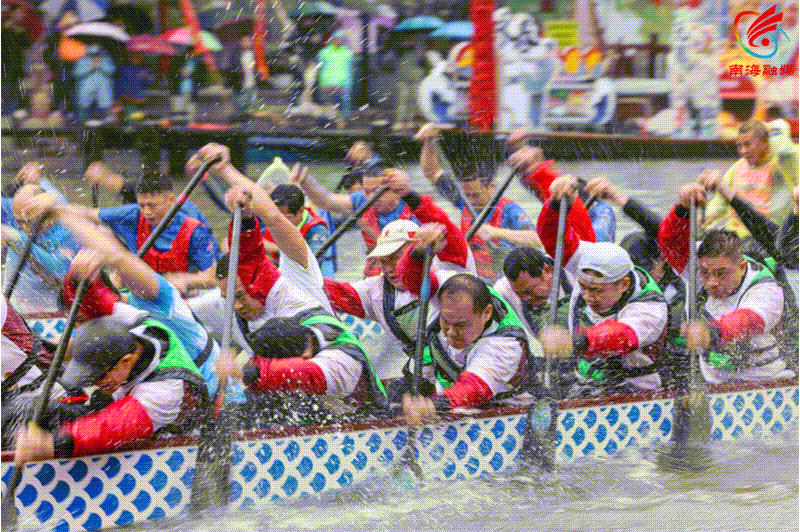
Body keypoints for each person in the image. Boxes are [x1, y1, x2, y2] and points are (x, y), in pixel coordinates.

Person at [13, 313, 209, 463]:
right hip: (129, 409)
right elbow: (101, 299)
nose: (94, 384)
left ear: (126, 361)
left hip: (175, 453)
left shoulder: (164, 392)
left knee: (67, 427)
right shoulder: (136, 325)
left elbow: (110, 427)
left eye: (98, 376)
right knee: (39, 408)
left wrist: (53, 444)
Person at [323, 168, 474, 360]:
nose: (389, 270)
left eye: (395, 259)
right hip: (429, 371)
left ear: (417, 249)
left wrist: (410, 196)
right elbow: (325, 289)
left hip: (474, 360)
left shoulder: (448, 265)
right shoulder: (375, 291)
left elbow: (443, 228)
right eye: (384, 261)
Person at [538, 175, 669, 395]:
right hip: (586, 385)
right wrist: (556, 204)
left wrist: (574, 342)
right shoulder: (588, 261)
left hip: (636, 394)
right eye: (583, 287)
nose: (588, 296)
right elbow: (552, 238)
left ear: (623, 284)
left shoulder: (650, 307)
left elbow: (620, 336)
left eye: (596, 290)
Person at [660, 182, 796, 384]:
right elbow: (670, 243)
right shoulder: (699, 266)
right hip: (713, 384)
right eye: (705, 273)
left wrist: (711, 333)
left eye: (721, 274)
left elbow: (747, 321)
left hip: (768, 384)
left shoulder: (766, 289)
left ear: (742, 267)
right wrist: (682, 209)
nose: (712, 282)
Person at [396, 257, 535, 425]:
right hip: (449, 402)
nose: (450, 332)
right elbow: (412, 279)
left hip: (504, 417)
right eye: (445, 321)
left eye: (460, 325)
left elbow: (474, 388)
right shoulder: (449, 288)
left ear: (486, 313)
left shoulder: (506, 345)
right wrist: (417, 255)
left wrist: (435, 406)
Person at [418, 123, 541, 282]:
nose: (471, 201)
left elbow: (537, 240)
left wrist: (496, 232)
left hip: (501, 280)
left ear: (491, 187)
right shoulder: (463, 199)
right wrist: (428, 142)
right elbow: (432, 172)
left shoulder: (509, 209)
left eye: (475, 195)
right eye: (468, 195)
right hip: (472, 278)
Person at [584, 176, 686, 343]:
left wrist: (616, 197)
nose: (634, 280)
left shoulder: (681, 289)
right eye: (629, 274)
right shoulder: (608, 289)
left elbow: (662, 231)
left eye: (640, 271)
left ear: (660, 261)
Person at [293, 161, 422, 276]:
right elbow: (327, 201)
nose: (370, 198)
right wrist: (306, 183)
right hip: (377, 272)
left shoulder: (415, 208)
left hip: (407, 271)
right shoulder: (361, 200)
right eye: (367, 191)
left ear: (393, 189)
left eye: (376, 191)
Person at [703, 120, 797, 236]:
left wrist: (772, 130)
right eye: (739, 145)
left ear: (764, 142)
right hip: (737, 236)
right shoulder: (738, 166)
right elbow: (721, 198)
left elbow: (785, 152)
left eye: (747, 144)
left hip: (772, 236)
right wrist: (711, 213)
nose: (743, 151)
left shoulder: (786, 162)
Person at [2, 183, 80, 314]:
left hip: (54, 316)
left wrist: (15, 237)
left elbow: (62, 271)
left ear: (50, 214)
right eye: (19, 222)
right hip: (12, 313)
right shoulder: (21, 210)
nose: (23, 227)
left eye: (29, 222)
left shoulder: (71, 232)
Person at [507, 143, 601, 243]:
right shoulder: (544, 186)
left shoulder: (554, 188)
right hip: (582, 230)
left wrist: (531, 166)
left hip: (592, 224)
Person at [266, 183, 334, 277]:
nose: (280, 223)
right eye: (277, 218)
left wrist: (276, 249)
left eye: (286, 218)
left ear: (301, 211)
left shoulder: (318, 230)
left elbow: (308, 266)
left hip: (313, 282)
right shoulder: (274, 218)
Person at [316, 30, 352, 127]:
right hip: (340, 84)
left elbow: (318, 68)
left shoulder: (323, 52)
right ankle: (340, 123)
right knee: (342, 105)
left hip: (328, 83)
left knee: (328, 105)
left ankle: (326, 124)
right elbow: (351, 68)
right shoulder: (348, 53)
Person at [73, 44, 116, 123]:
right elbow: (76, 73)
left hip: (103, 89)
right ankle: (81, 124)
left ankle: (108, 126)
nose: (95, 55)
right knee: (83, 107)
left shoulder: (106, 59)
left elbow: (112, 71)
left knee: (106, 107)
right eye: (93, 54)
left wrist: (100, 65)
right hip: (86, 89)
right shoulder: (83, 59)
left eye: (97, 53)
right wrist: (90, 67)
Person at [1, 4, 31, 115]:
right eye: (18, 13)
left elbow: (26, 47)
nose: (21, 15)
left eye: (22, 13)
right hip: (5, 63)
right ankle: (9, 111)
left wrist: (27, 66)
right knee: (6, 87)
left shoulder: (22, 28)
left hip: (18, 63)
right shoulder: (3, 25)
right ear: (12, 13)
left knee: (15, 88)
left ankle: (13, 112)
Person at [394, 33, 426, 130]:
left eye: (412, 38)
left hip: (415, 79)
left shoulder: (418, 49)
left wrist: (422, 56)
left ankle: (409, 121)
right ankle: (399, 121)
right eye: (409, 38)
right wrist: (404, 46)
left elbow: (423, 63)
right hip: (402, 79)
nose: (411, 39)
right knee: (402, 100)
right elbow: (393, 60)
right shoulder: (400, 49)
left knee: (412, 101)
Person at [114, 50, 152, 121]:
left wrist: (145, 77)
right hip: (126, 99)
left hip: (141, 99)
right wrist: (122, 98)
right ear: (130, 57)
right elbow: (118, 85)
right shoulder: (123, 69)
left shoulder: (144, 68)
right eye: (135, 56)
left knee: (138, 118)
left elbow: (150, 82)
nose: (137, 58)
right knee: (128, 117)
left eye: (139, 56)